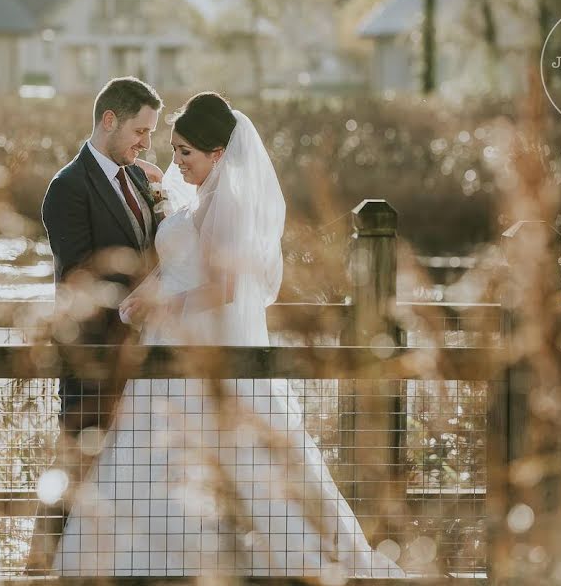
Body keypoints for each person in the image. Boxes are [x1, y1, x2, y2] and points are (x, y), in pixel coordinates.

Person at [53, 93, 405, 578]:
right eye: (174, 150)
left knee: (227, 451)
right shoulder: (198, 199)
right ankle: (146, 562)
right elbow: (178, 263)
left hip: (199, 339)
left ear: (217, 154)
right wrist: (144, 295)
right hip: (166, 343)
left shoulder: (231, 205)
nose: (175, 162)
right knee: (153, 453)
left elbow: (223, 286)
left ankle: (242, 560)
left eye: (185, 153)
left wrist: (165, 305)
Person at [28, 76, 163, 572]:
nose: (147, 142)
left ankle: (116, 563)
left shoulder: (138, 180)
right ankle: (42, 566)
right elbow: (80, 279)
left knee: (125, 465)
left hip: (140, 354)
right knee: (77, 459)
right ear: (110, 120)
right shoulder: (68, 188)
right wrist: (147, 299)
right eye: (141, 130)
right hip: (91, 355)